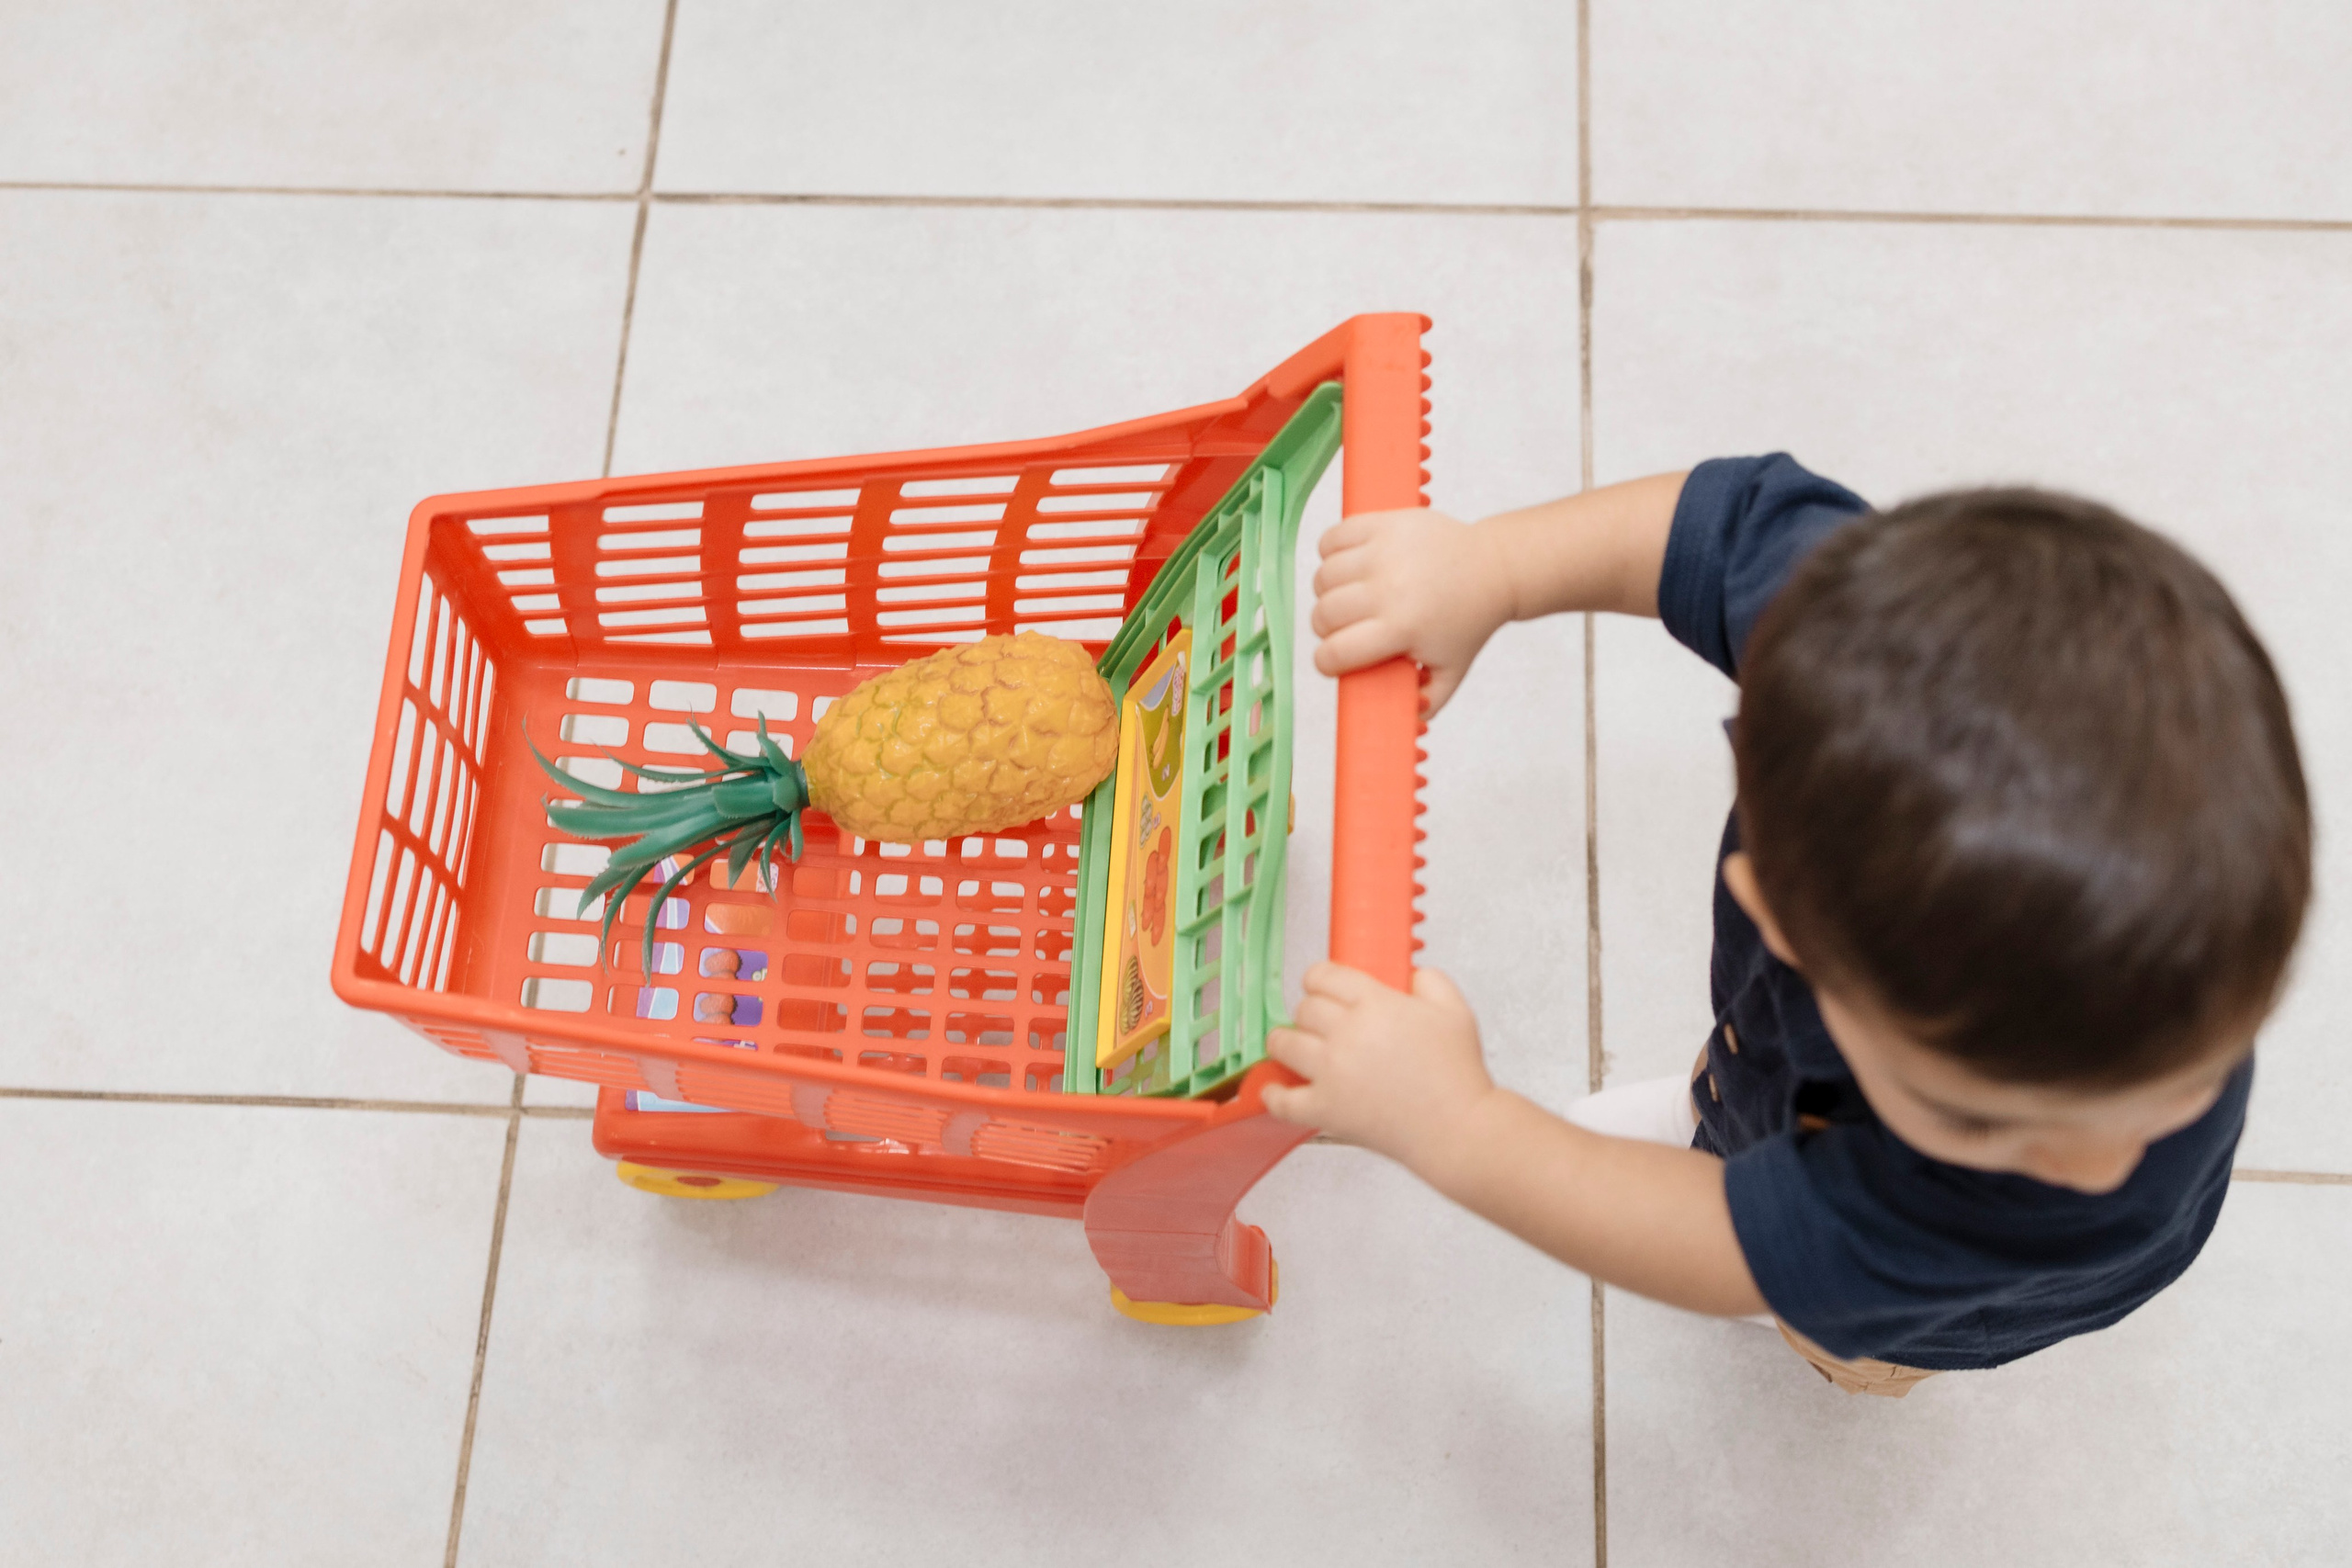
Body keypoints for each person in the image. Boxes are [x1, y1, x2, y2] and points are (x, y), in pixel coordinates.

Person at [1262, 457, 2310, 1396]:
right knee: (1753, 1095)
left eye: (2192, 1074)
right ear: (1779, 918)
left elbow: (1724, 1251)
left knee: (1842, 1325)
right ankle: (1726, 1110)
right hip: (1800, 1056)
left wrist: (1462, 1129)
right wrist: (1494, 567)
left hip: (1962, 1293)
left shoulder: (2003, 1206)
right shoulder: (1869, 653)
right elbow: (1714, 531)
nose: (2109, 1160)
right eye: (1978, 1118)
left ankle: (1851, 1354)